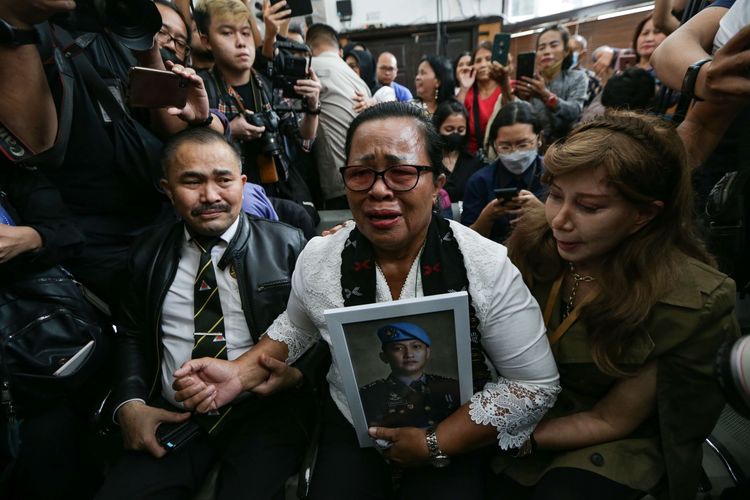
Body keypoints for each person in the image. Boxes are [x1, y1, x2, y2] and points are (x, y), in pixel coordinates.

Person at [172, 102, 560, 500]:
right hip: (352, 420)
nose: (378, 189)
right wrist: (238, 373)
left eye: (402, 172)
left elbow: (534, 385)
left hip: (458, 425)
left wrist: (436, 441)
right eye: (361, 174)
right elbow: (297, 325)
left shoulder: (484, 265)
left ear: (438, 185)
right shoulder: (321, 257)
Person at [495, 112, 740, 500]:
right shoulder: (531, 239)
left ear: (644, 214)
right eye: (556, 195)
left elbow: (611, 419)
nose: (560, 220)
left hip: (612, 441)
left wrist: (505, 439)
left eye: (590, 207)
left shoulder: (689, 302)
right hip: (519, 411)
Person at [95, 128, 313, 500]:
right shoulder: (146, 254)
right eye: (191, 182)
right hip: (174, 414)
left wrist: (296, 376)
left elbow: (316, 330)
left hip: (262, 410)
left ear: (243, 183)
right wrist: (129, 404)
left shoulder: (289, 245)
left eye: (223, 180)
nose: (210, 196)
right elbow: (131, 334)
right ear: (167, 189)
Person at [195, 0, 321, 201]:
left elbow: (303, 138)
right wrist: (227, 130)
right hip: (230, 196)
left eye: (245, 33)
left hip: (281, 188)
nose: (240, 42)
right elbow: (192, 149)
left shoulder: (268, 84)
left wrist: (313, 106)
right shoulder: (202, 88)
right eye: (227, 33)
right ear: (207, 41)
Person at [461, 101, 546, 244]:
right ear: (494, 145)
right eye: (505, 146)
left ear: (539, 139)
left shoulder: (553, 176)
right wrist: (487, 216)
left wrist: (543, 214)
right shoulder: (480, 182)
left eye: (523, 144)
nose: (515, 152)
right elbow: (466, 241)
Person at [306, 23, 371, 209]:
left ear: (309, 47)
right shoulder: (358, 79)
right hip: (365, 169)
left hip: (339, 178)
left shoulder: (311, 69)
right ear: (338, 49)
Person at [360, 322, 460, 429]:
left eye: (416, 347)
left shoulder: (451, 386)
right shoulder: (368, 395)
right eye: (398, 348)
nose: (409, 354)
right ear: (384, 357)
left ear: (428, 353)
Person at [516, 24, 588, 147]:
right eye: (541, 47)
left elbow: (574, 112)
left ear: (566, 51)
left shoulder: (577, 77)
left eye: (554, 45)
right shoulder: (529, 81)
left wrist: (546, 96)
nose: (547, 52)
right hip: (532, 148)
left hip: (566, 149)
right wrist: (521, 99)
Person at [457, 42, 513, 155]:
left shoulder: (508, 86)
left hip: (505, 154)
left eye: (488, 59)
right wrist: (464, 87)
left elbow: (513, 115)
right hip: (473, 158)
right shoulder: (467, 92)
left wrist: (505, 81)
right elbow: (455, 119)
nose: (483, 64)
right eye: (478, 61)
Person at [432, 98, 483, 203]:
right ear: (437, 128)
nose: (455, 134)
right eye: (449, 129)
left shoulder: (475, 163)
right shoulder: (428, 160)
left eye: (460, 130)